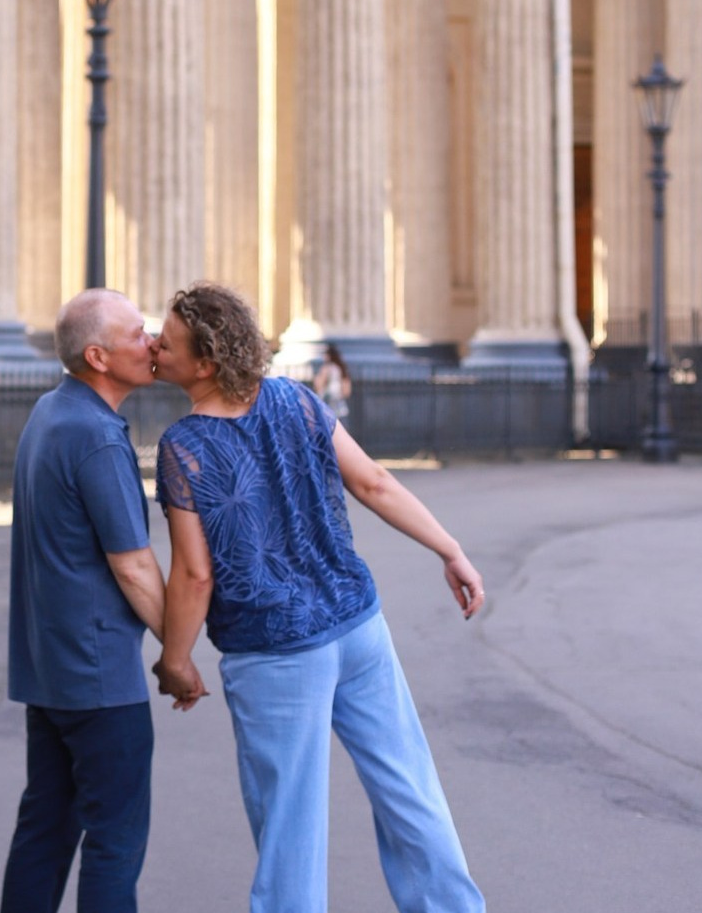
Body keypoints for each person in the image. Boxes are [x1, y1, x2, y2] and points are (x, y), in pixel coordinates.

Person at [151, 282, 486, 913]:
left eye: (165, 343)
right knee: (410, 792)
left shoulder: (184, 447)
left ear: (204, 364)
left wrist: (176, 659)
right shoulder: (296, 402)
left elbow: (194, 576)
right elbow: (375, 483)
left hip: (276, 653)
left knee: (290, 832)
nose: (153, 348)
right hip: (358, 626)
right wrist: (450, 549)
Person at [1, 288, 183, 913]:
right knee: (115, 842)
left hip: (49, 670)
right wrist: (177, 654)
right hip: (100, 677)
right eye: (137, 333)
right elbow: (133, 566)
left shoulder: (49, 414)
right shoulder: (99, 438)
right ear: (100, 356)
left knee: (45, 831)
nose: (152, 341)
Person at [313, 342, 351, 419]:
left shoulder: (327, 368)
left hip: (328, 406)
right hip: (340, 407)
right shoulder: (341, 369)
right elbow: (347, 391)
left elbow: (318, 386)